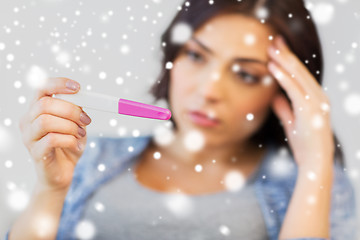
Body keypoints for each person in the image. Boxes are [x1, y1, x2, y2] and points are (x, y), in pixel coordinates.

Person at [5, 0, 357, 239]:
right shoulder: (86, 159)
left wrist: (315, 164)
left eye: (246, 74)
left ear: (284, 92)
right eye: (196, 56)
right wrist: (50, 190)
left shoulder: (313, 184)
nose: (208, 91)